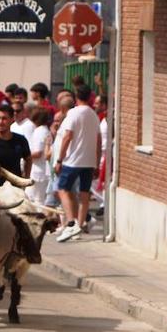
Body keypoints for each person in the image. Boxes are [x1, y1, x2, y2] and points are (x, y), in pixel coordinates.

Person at [53, 85, 101, 242]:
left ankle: (72, 221)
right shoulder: (94, 115)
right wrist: (97, 161)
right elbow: (99, 140)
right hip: (89, 160)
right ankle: (79, 226)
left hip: (73, 160)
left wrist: (60, 159)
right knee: (84, 193)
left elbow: (67, 136)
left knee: (63, 189)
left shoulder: (73, 113)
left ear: (76, 97)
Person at [25, 105, 53, 206]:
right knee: (35, 197)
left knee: (37, 199)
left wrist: (24, 155)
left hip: (38, 170)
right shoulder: (45, 130)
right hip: (41, 169)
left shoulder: (39, 131)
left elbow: (37, 152)